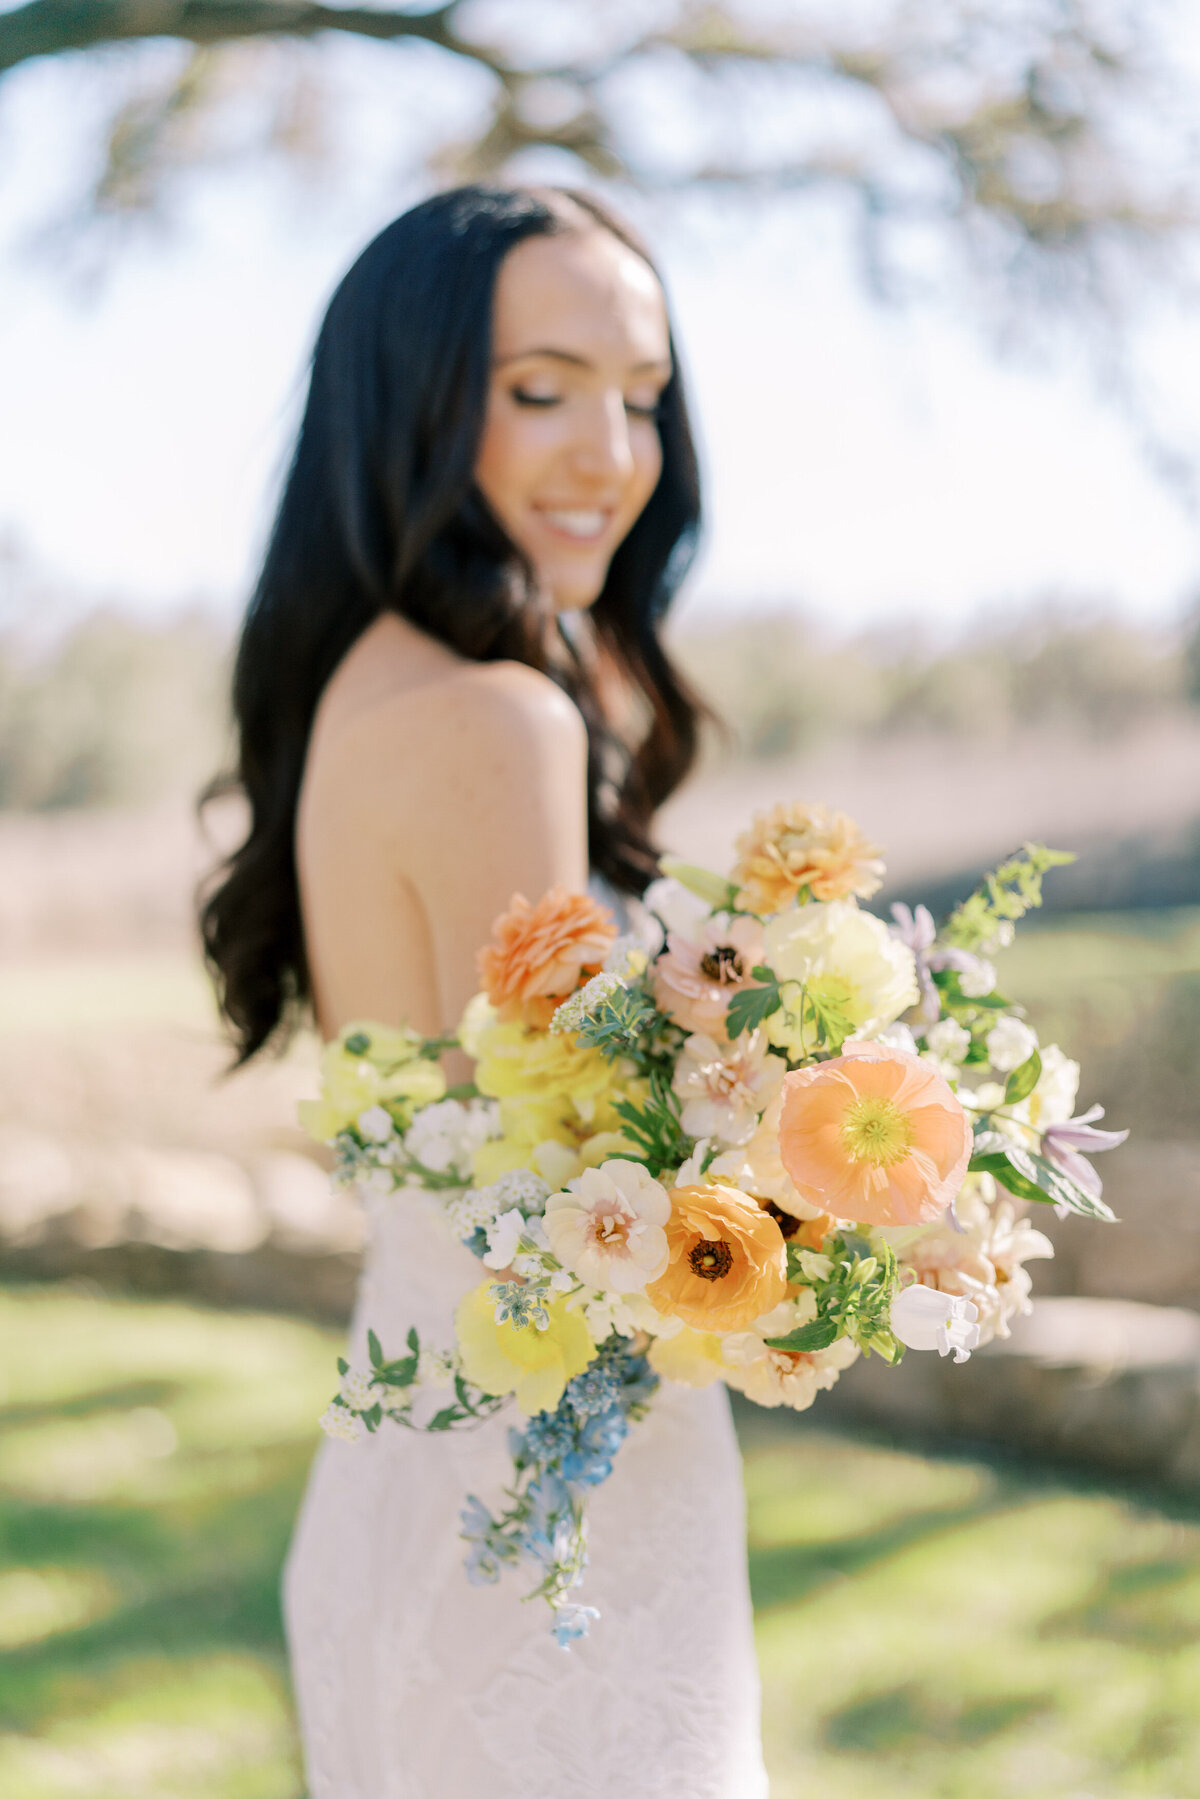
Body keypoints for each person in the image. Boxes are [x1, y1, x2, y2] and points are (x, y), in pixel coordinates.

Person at [201, 185, 769, 1799]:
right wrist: (844, 1180)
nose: (613, 450)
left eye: (643, 397)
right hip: (549, 1532)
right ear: (416, 399)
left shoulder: (370, 682)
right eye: (543, 389)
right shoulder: (497, 723)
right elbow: (579, 1187)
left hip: (429, 1476)